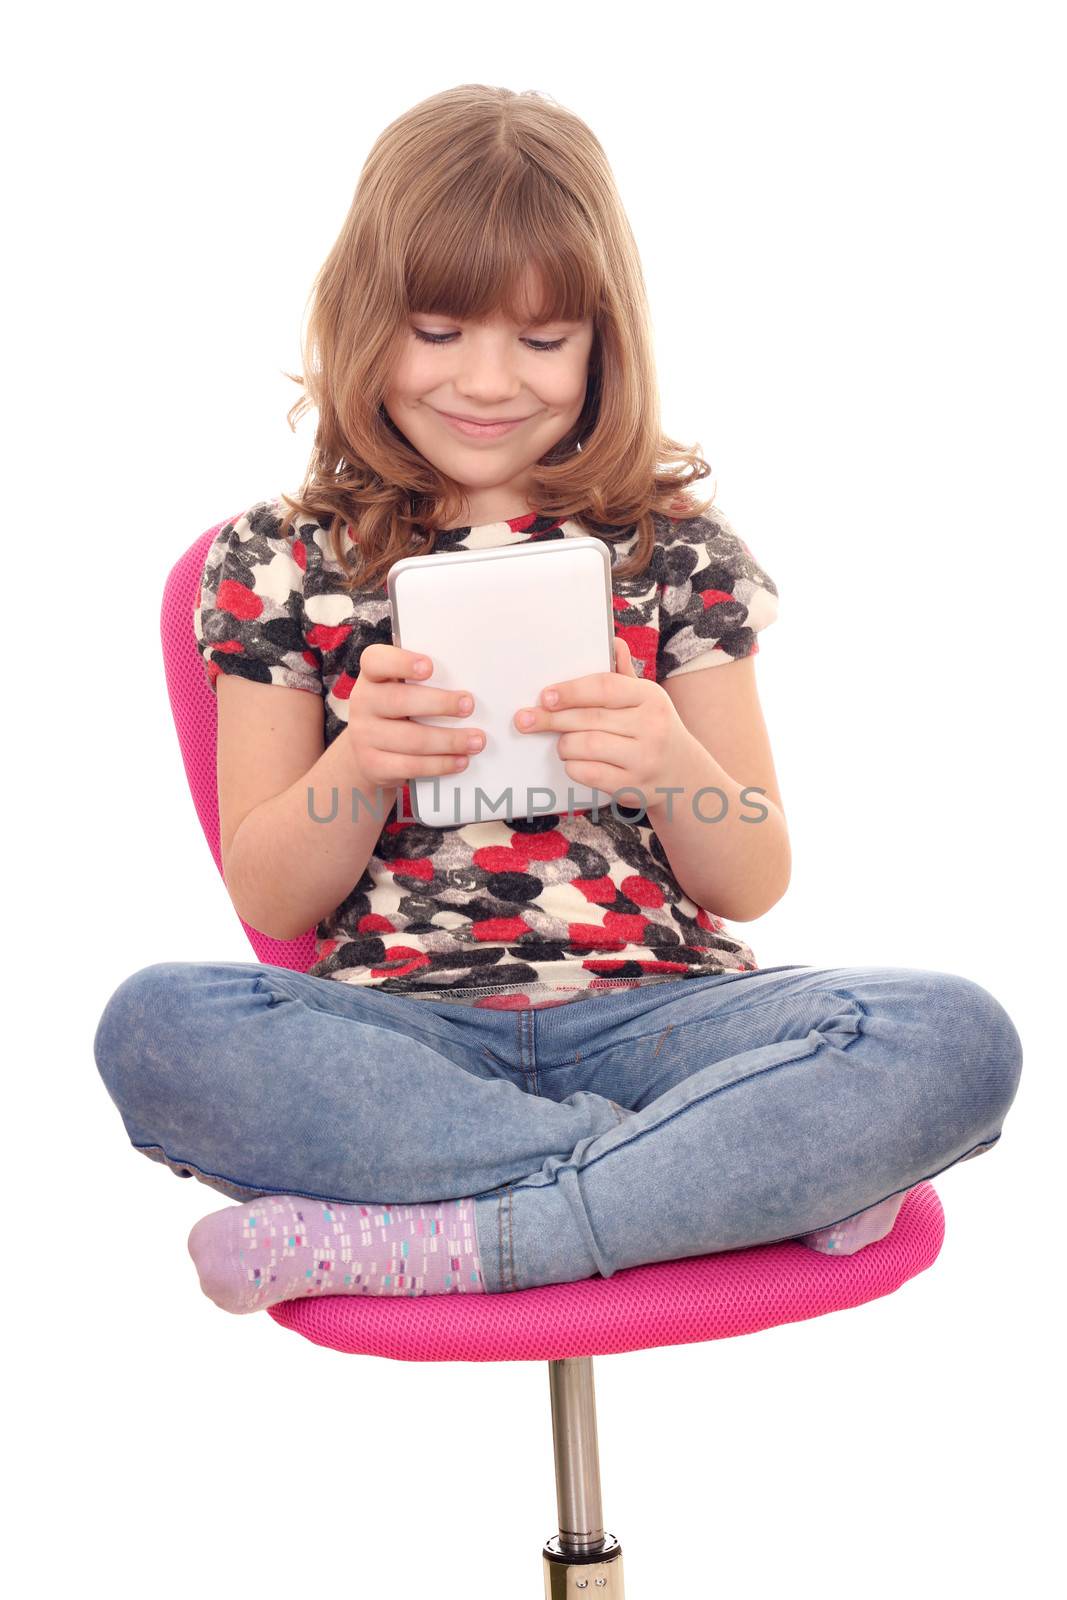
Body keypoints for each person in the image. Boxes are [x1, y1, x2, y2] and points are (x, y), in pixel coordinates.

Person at [93, 85, 1023, 1314]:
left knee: (952, 1033)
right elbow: (270, 897)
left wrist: (666, 760)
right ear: (363, 321)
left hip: (669, 1029)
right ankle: (720, 1182)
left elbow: (749, 878)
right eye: (436, 330)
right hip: (405, 1045)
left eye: (541, 342)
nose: (488, 381)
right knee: (158, 1026)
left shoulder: (673, 545)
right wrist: (356, 765)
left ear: (600, 344)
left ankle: (460, 1236)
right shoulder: (275, 558)